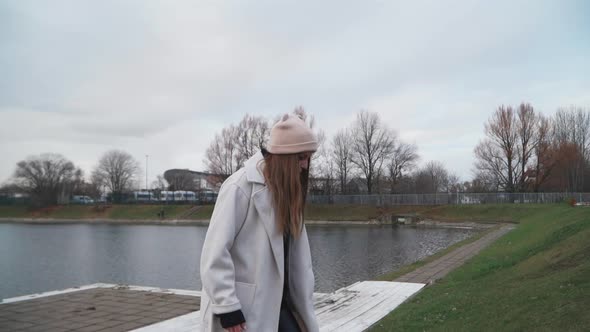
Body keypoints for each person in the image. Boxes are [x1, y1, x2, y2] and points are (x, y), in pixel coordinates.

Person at [200, 113, 320, 332]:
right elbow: (214, 253)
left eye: (308, 157)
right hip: (245, 310)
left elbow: (298, 260)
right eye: (301, 157)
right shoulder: (239, 187)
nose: (305, 165)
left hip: (283, 306)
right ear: (285, 156)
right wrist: (228, 308)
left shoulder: (288, 193)